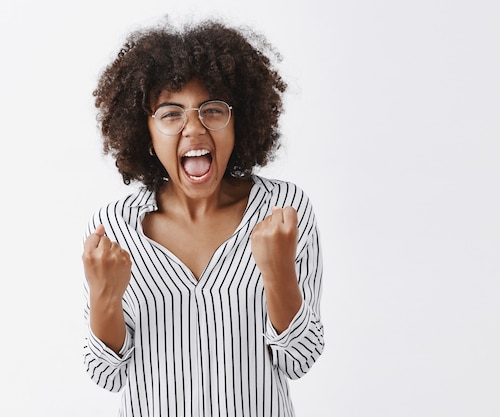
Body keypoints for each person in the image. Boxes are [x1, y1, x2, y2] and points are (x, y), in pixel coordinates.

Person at [81, 18, 324, 417]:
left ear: (238, 120)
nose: (193, 129)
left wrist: (279, 271)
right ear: (145, 130)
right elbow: (107, 374)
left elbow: (300, 359)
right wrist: (104, 299)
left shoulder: (283, 210)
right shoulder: (113, 229)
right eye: (171, 114)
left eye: (211, 110)